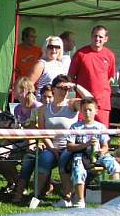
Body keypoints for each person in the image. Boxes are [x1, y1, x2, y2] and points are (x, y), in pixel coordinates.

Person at [11, 75, 92, 205]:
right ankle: (37, 195)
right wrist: (52, 149)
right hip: (51, 146)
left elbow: (90, 100)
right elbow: (43, 132)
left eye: (67, 88)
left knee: (64, 159)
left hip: (70, 146)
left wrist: (76, 86)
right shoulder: (43, 109)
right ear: (53, 89)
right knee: (44, 159)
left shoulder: (72, 104)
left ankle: (67, 197)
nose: (64, 91)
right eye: (61, 88)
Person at [58, 97, 120, 209]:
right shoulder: (76, 127)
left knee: (114, 165)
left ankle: (114, 196)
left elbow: (105, 144)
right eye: (85, 110)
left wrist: (103, 150)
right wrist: (86, 144)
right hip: (80, 154)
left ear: (96, 111)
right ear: (81, 111)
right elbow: (69, 146)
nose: (87, 113)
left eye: (90, 110)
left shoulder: (100, 126)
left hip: (98, 154)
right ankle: (80, 200)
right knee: (78, 170)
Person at [0, 77, 41, 194]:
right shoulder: (17, 108)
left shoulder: (38, 107)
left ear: (23, 90)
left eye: (14, 88)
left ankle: (19, 185)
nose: (12, 90)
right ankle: (13, 182)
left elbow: (36, 129)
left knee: (0, 152)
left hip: (32, 142)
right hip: (16, 140)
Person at [68, 25, 116, 126]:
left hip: (102, 103)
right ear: (91, 36)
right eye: (95, 36)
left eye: (100, 37)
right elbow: (70, 76)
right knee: (82, 132)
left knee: (102, 133)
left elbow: (110, 77)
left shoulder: (110, 55)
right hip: (84, 101)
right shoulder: (81, 53)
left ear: (106, 39)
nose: (97, 39)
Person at [28, 36, 68, 101]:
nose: (54, 50)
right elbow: (27, 86)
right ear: (45, 48)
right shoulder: (41, 64)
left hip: (57, 105)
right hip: (42, 104)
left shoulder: (61, 65)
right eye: (51, 47)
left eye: (57, 47)